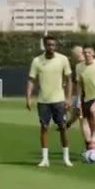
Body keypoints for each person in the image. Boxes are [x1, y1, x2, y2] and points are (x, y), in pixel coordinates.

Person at [25, 35, 74, 167]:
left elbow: (69, 79)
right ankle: (45, 159)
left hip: (59, 100)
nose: (51, 47)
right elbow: (31, 80)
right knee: (44, 128)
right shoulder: (37, 61)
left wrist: (69, 98)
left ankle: (66, 158)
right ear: (44, 45)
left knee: (63, 127)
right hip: (43, 100)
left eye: (53, 45)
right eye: (49, 45)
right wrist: (28, 97)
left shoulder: (63, 59)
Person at [64, 45, 84, 131]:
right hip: (81, 95)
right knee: (77, 113)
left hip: (84, 95)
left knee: (80, 115)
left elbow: (74, 83)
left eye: (73, 54)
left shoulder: (79, 66)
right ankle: (68, 123)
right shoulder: (76, 65)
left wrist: (69, 98)